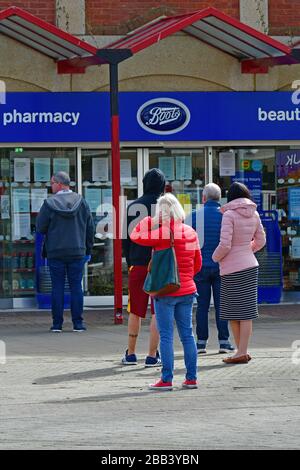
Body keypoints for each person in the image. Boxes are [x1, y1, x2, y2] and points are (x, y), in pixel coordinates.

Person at [130, 193, 202, 390]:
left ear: (161, 213)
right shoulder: (191, 232)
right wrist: (186, 278)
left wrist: (150, 220)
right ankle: (191, 378)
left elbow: (135, 234)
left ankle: (167, 379)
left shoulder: (162, 233)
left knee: (167, 335)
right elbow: (198, 263)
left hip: (165, 291)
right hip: (188, 291)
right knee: (187, 334)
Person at [212, 182, 266, 364]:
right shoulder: (255, 213)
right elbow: (261, 240)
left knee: (232, 312)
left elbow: (225, 244)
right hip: (251, 265)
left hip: (231, 269)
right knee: (246, 312)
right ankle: (241, 351)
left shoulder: (229, 214)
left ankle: (240, 351)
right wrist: (247, 249)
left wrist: (215, 257)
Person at [36, 171, 94, 332]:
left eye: (52, 183)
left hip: (55, 252)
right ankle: (78, 324)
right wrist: (88, 249)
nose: (51, 186)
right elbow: (90, 228)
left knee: (57, 287)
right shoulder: (81, 202)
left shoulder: (49, 204)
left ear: (60, 184)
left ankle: (57, 325)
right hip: (77, 251)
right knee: (76, 287)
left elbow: (40, 227)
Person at [122, 168, 166, 367]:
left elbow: (125, 240)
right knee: (157, 311)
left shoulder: (133, 207)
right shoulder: (166, 207)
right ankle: (151, 355)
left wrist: (130, 261)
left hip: (137, 264)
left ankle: (130, 354)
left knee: (135, 311)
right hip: (160, 265)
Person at [186, 183, 234, 354]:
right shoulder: (227, 216)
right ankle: (224, 341)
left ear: (203, 198)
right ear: (219, 198)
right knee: (222, 305)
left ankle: (201, 343)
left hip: (199, 268)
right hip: (222, 267)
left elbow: (186, 243)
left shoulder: (192, 217)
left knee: (202, 306)